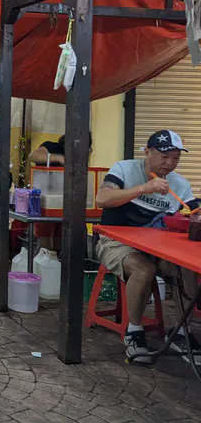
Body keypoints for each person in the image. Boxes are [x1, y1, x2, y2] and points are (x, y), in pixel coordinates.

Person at [95, 130, 200, 365]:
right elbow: (101, 200)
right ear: (147, 151)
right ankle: (134, 331)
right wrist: (145, 188)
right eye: (164, 156)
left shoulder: (180, 185)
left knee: (187, 268)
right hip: (115, 241)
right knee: (144, 270)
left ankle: (181, 332)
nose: (169, 163)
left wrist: (195, 212)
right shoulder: (124, 169)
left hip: (158, 246)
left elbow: (191, 211)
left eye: (175, 158)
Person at [30, 132, 93, 251]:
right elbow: (33, 156)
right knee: (46, 244)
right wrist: (58, 158)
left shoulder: (79, 157)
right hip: (47, 203)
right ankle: (42, 267)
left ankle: (60, 266)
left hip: (68, 204)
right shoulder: (52, 147)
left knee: (63, 244)